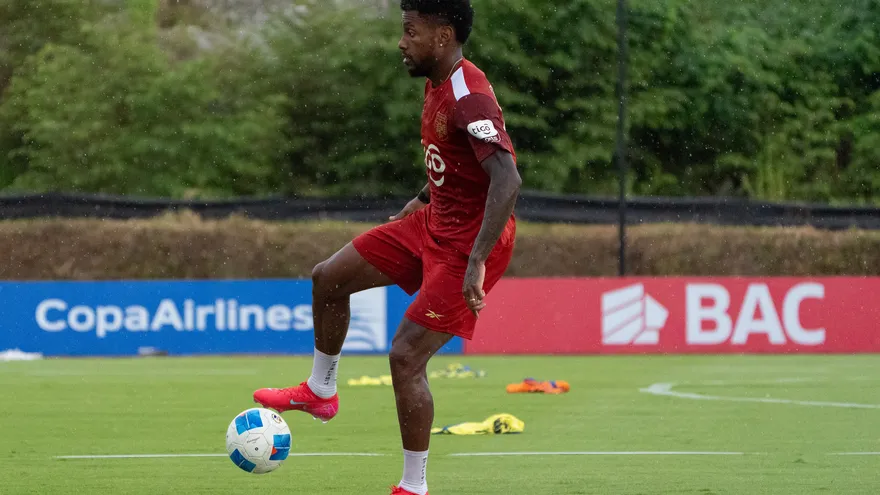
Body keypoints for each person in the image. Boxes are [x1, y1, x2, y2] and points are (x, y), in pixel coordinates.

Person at [253, 1, 521, 493]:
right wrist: (417, 200)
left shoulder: (469, 95)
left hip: (467, 245)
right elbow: (452, 161)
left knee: (404, 357)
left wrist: (477, 260)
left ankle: (413, 486)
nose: (401, 41)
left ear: (442, 36)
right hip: (432, 223)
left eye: (410, 31)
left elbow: (507, 179)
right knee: (327, 277)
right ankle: (320, 390)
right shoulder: (436, 82)